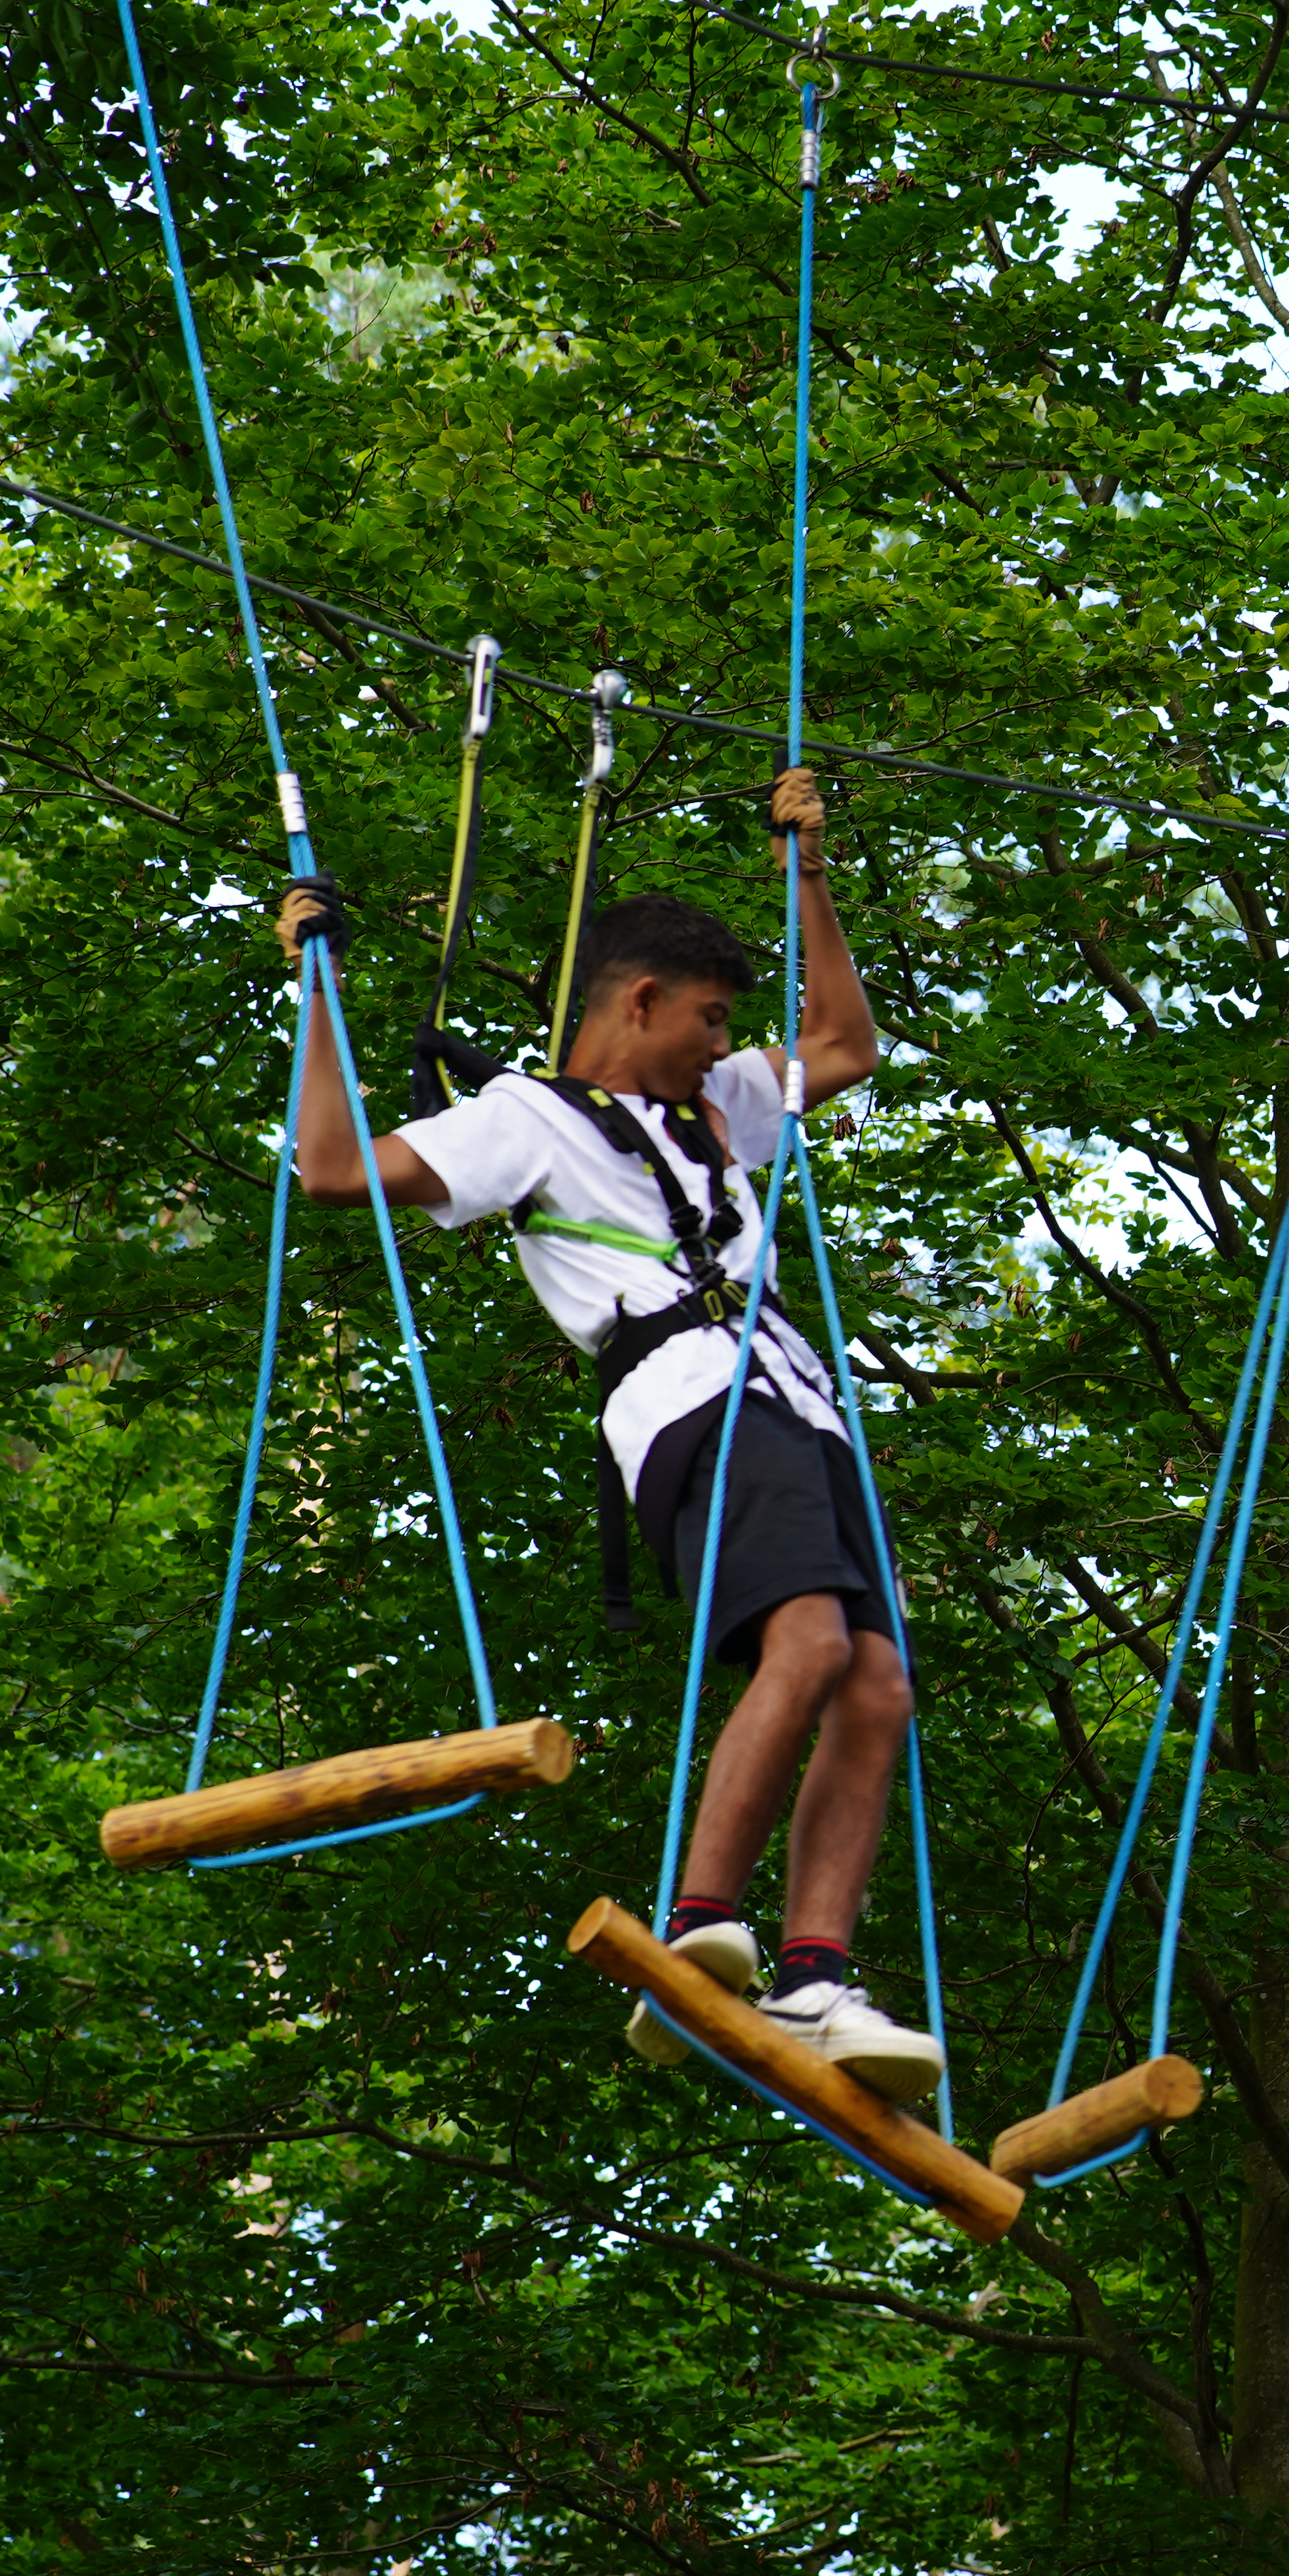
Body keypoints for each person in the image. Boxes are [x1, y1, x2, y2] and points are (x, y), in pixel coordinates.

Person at [283, 768, 943, 2098]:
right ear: (636, 1003)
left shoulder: (716, 1108)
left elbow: (846, 1045)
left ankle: (815, 1970)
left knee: (877, 1686)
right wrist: (315, 986)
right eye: (707, 1018)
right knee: (808, 1643)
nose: (722, 1044)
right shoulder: (526, 1119)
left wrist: (807, 869)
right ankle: (702, 1919)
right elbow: (334, 1170)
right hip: (694, 1398)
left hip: (798, 1401)